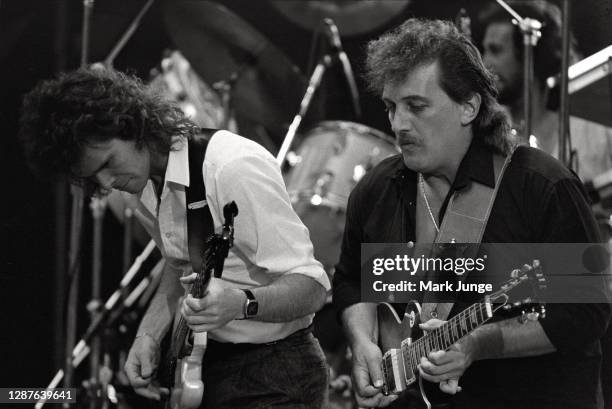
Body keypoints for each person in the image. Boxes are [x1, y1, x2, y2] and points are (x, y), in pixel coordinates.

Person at [332, 18, 611, 409]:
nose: (398, 124)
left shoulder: (541, 187)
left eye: (416, 106)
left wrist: (477, 344)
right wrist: (363, 345)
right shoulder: (378, 189)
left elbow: (586, 313)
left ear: (469, 106)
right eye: (391, 107)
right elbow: (352, 281)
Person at [19, 67, 330, 408]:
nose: (107, 184)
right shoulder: (142, 183)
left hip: (276, 372)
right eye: (93, 176)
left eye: (108, 162)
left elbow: (313, 286)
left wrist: (242, 303)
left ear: (131, 125)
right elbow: (180, 264)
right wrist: (149, 334)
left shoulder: (231, 167)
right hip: (212, 365)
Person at [478, 0, 612, 183]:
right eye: (484, 51)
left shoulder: (593, 127)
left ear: (531, 54)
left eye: (496, 50)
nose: (485, 63)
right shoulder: (488, 132)